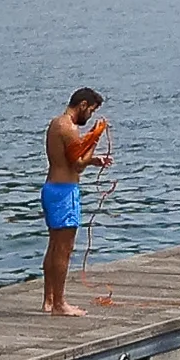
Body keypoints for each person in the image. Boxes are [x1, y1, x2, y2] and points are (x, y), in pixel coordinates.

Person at [41, 87, 110, 316]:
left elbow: (70, 158)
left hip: (52, 188)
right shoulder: (69, 128)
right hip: (64, 192)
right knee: (64, 249)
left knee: (54, 246)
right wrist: (96, 137)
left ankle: (49, 300)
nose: (89, 115)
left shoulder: (56, 123)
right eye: (90, 110)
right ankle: (60, 304)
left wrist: (93, 159)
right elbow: (78, 163)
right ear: (82, 105)